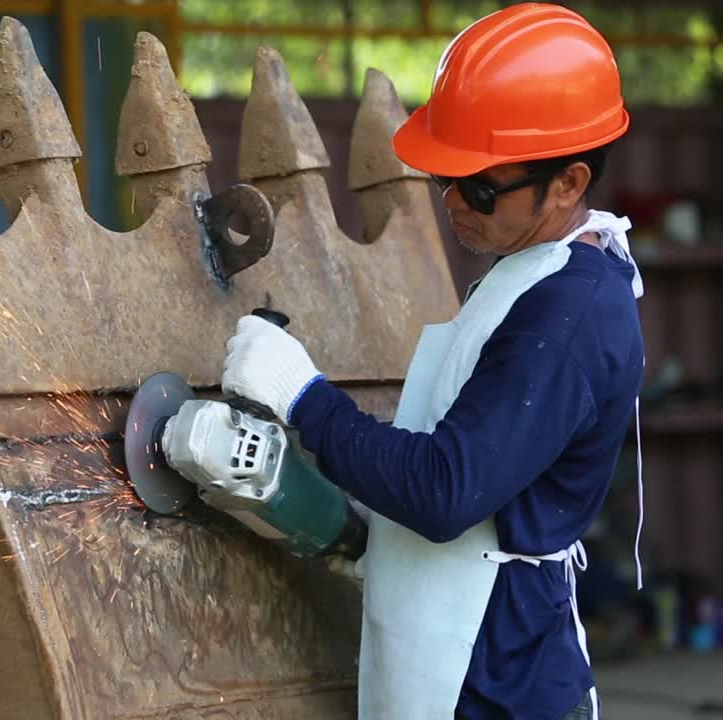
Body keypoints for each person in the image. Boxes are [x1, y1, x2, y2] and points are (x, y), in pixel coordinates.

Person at [220, 4, 646, 719]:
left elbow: (446, 490)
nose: (453, 202)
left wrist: (304, 398)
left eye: (481, 187)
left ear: (569, 184)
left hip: (500, 681)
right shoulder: (535, 266)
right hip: (469, 651)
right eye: (448, 178)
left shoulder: (570, 315)